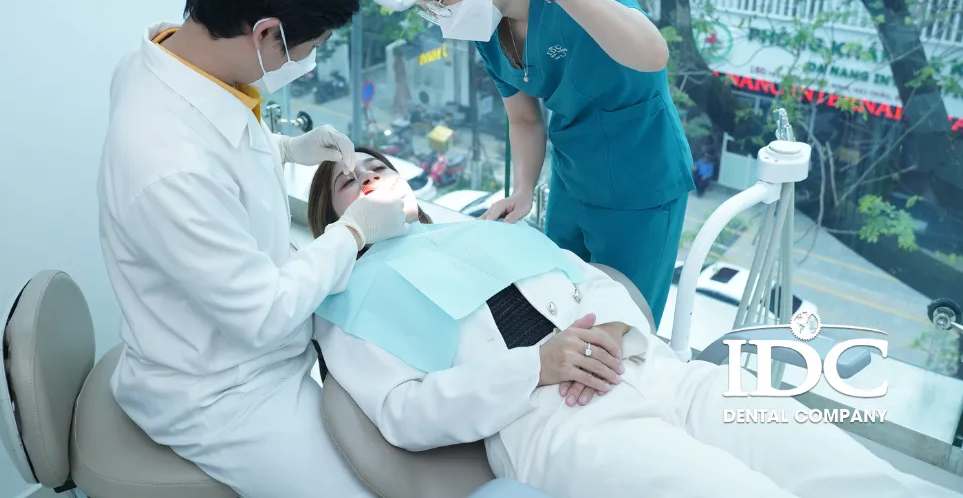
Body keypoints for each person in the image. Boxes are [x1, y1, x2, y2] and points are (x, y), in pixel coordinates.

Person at [309, 149, 955, 498]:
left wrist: (615, 332)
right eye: (346, 180)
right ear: (330, 218)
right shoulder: (349, 300)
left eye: (375, 166)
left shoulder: (486, 228)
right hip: (556, 419)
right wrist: (537, 365)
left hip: (659, 372)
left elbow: (591, 280)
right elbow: (404, 414)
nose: (367, 175)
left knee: (846, 471)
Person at [97, 0, 409, 498]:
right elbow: (262, 315)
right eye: (310, 47)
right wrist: (353, 231)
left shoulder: (168, 55)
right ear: (266, 32)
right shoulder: (167, 164)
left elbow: (220, 148)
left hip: (250, 341)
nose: (310, 61)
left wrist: (285, 149)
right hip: (222, 390)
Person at [391, 0, 693, 326]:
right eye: (428, 10)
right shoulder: (488, 30)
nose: (440, 17)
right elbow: (524, 119)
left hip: (641, 185)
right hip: (572, 179)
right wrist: (523, 189)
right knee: (559, 308)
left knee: (620, 326)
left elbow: (653, 55)